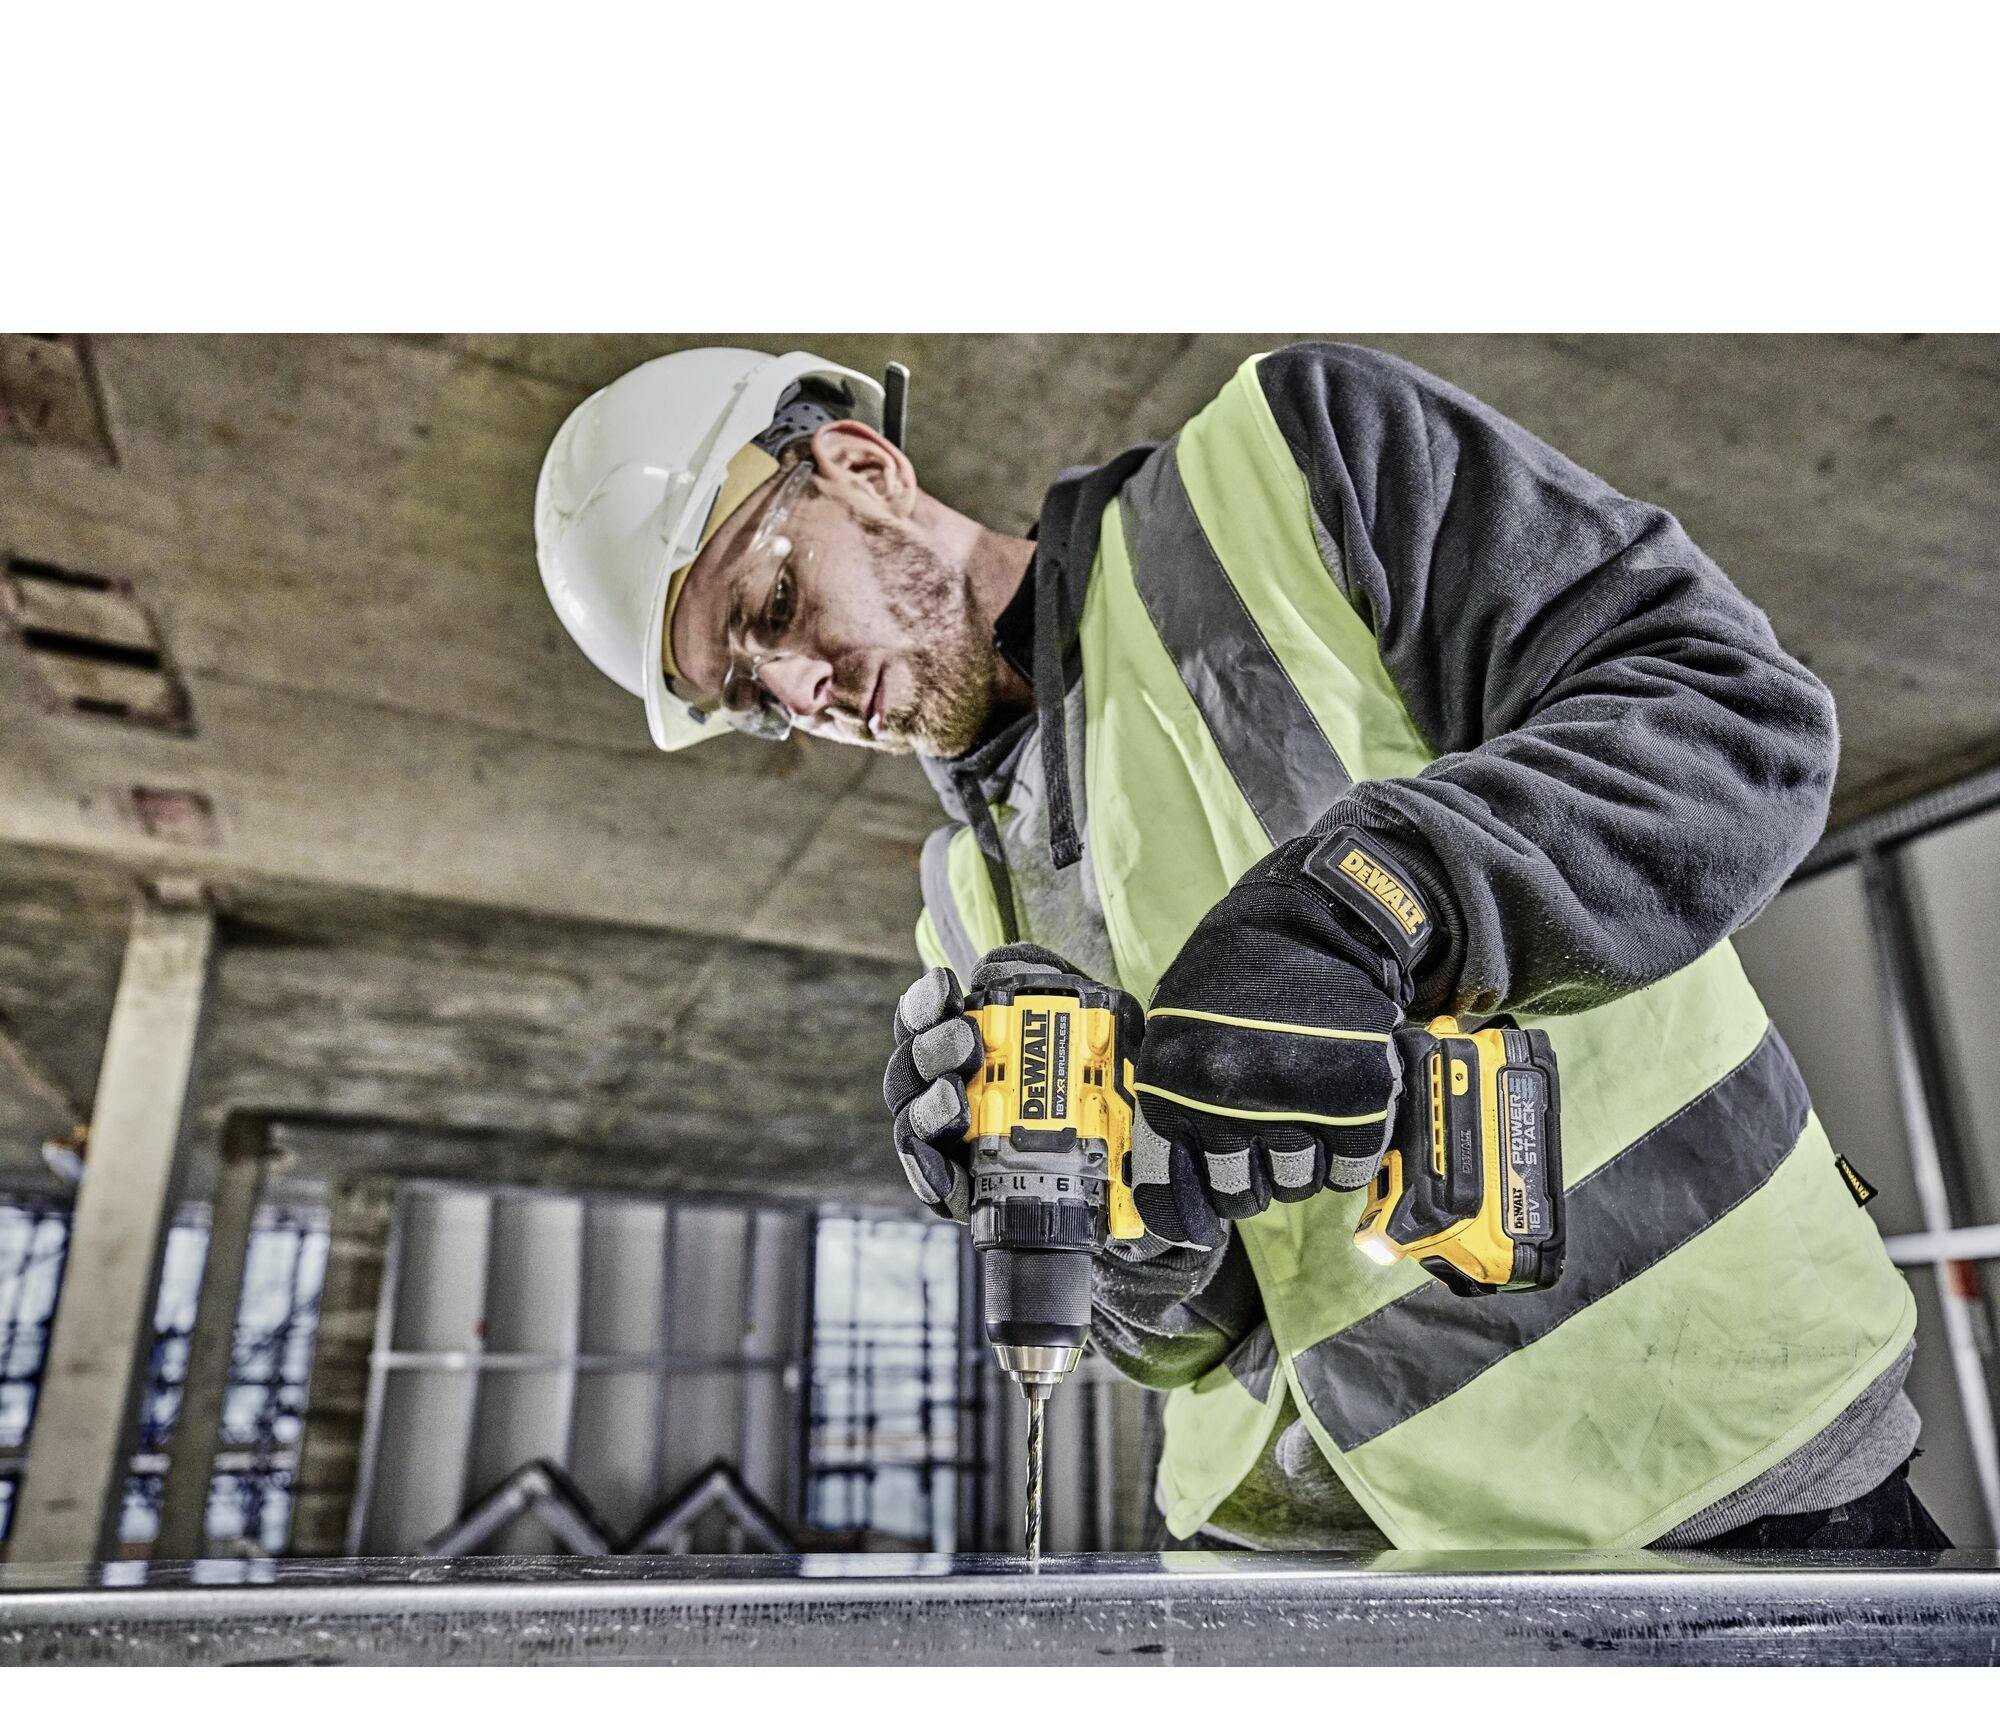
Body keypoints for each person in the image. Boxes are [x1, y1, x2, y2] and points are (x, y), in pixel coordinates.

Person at [536, 341, 1947, 1553]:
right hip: (1298, 1562)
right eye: (750, 696)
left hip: (1703, 1458)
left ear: (861, 466)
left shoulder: (1284, 458)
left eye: (771, 610)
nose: (799, 688)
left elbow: (1731, 721)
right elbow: (1189, 1334)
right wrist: (1106, 1239)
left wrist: (1373, 903)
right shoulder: (962, 904)